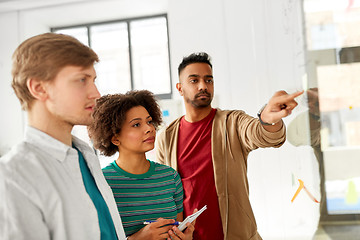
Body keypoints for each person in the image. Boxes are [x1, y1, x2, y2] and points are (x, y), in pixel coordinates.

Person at [155, 52, 304, 240]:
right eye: (194, 80)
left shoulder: (232, 122)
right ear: (180, 88)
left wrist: (267, 118)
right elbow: (166, 196)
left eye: (208, 80)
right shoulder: (166, 138)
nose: (203, 86)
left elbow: (260, 134)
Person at [0, 33, 126, 240]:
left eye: (93, 80)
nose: (96, 93)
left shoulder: (86, 157)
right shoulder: (12, 177)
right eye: (82, 80)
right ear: (39, 88)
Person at [88, 90, 195, 240]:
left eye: (149, 121)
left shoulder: (170, 177)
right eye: (136, 124)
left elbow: (177, 228)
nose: (149, 129)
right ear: (115, 138)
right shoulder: (102, 182)